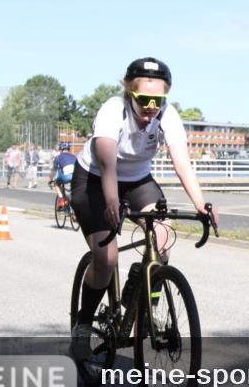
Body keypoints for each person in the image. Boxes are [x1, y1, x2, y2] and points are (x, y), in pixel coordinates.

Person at [68, 58, 219, 362]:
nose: (151, 106)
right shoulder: (113, 110)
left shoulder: (167, 114)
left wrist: (201, 205)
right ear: (129, 94)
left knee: (162, 234)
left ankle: (140, 291)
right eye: (144, 99)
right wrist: (112, 202)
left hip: (137, 180)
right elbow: (108, 164)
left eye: (158, 100)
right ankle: (83, 327)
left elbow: (181, 163)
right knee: (107, 257)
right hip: (96, 180)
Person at [49, 142, 77, 208]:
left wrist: (50, 180)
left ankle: (61, 200)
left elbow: (53, 171)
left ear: (60, 149)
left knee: (56, 183)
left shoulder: (58, 157)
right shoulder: (75, 157)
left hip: (66, 177)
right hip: (75, 177)